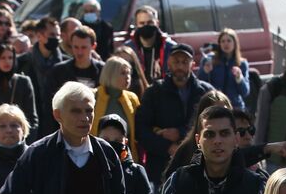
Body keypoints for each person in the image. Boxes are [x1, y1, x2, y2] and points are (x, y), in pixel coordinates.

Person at [135, 45, 212, 185]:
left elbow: (211, 125)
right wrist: (167, 147)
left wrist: (180, 133)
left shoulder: (205, 92)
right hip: (161, 170)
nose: (180, 66)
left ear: (193, 65)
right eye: (176, 61)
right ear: (168, 63)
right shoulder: (154, 92)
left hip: (199, 167)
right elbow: (141, 130)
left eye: (184, 62)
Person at [42, 27, 105, 146]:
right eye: (76, 47)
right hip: (64, 134)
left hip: (96, 131)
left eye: (84, 47)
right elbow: (49, 105)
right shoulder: (58, 72)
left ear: (93, 46)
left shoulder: (103, 72)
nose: (79, 52)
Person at [16, 15, 67, 137]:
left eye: (58, 36)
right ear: (39, 35)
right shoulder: (22, 63)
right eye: (52, 35)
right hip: (29, 123)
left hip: (56, 124)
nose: (56, 39)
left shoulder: (66, 65)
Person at [92, 57, 140, 159]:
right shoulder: (92, 96)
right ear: (110, 74)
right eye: (123, 73)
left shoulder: (132, 98)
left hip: (124, 157)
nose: (128, 77)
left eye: (128, 73)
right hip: (96, 156)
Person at [196, 28, 251, 110]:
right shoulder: (209, 59)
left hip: (235, 107)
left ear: (235, 43)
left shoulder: (241, 63)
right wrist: (205, 72)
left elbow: (245, 92)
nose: (226, 44)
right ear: (219, 44)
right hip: (214, 106)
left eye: (229, 41)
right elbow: (199, 84)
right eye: (223, 41)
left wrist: (239, 78)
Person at [126, 6, 178, 85]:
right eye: (142, 23)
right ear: (136, 25)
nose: (146, 26)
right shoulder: (128, 49)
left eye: (150, 22)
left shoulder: (171, 48)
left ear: (157, 23)